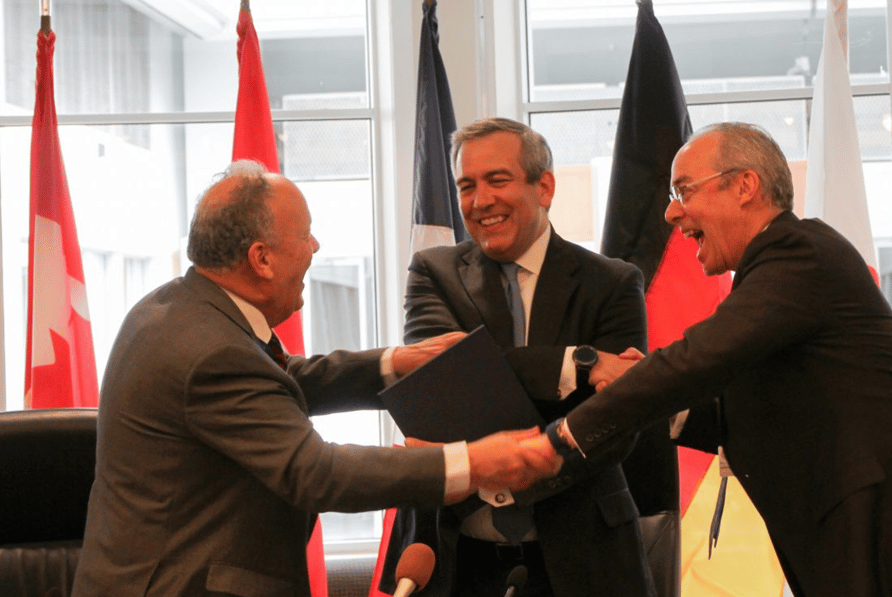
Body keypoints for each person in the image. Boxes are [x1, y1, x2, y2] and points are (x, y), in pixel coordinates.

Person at [527, 122, 892, 597]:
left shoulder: (799, 253)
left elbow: (698, 359)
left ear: (745, 186)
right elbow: (756, 415)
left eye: (683, 191)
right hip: (879, 552)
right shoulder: (775, 275)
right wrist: (651, 396)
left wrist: (561, 439)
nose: (671, 213)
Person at [71, 160, 557, 597]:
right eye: (306, 234)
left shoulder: (177, 306)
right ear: (261, 259)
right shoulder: (213, 351)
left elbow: (276, 380)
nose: (315, 246)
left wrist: (394, 362)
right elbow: (317, 473)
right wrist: (471, 462)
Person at [378, 118, 657, 597]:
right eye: (467, 186)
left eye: (497, 180)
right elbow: (445, 383)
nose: (480, 200)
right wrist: (574, 365)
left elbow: (614, 423)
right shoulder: (434, 273)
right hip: (450, 558)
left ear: (544, 187)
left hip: (584, 560)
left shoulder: (612, 284)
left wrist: (523, 468)